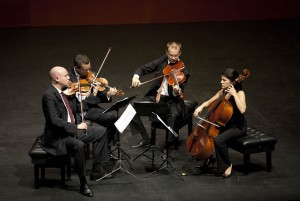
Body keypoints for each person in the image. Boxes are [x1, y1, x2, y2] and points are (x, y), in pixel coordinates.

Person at [41, 66, 113, 197]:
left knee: (101, 131)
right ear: (57, 78)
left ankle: (97, 168)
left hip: (71, 130)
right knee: (79, 145)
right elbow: (54, 121)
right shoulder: (49, 96)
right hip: (59, 136)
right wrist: (76, 127)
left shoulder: (66, 93)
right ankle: (83, 183)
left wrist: (91, 94)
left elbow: (79, 108)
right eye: (66, 76)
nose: (69, 78)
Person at [131, 41, 190, 149]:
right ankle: (145, 138)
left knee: (174, 116)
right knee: (131, 109)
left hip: (172, 100)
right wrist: (136, 76)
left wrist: (176, 91)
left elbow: (180, 92)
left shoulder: (184, 70)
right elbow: (143, 69)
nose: (173, 58)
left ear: (180, 53)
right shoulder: (162, 60)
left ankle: (170, 144)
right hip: (156, 96)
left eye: (176, 55)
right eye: (171, 55)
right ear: (167, 53)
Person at [193, 68, 247, 178]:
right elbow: (209, 102)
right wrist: (201, 107)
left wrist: (234, 94)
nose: (221, 82)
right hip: (225, 124)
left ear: (232, 81)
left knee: (219, 140)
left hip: (238, 126)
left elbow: (242, 109)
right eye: (221, 79)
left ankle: (227, 164)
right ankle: (208, 158)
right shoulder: (222, 92)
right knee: (207, 135)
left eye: (224, 80)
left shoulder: (240, 93)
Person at [68, 54, 119, 160]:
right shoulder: (69, 78)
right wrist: (93, 94)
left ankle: (107, 149)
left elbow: (100, 96)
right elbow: (76, 105)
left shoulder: (92, 76)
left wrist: (108, 95)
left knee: (112, 120)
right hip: (77, 112)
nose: (88, 72)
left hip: (91, 109)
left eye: (89, 68)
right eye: (85, 70)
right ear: (77, 68)